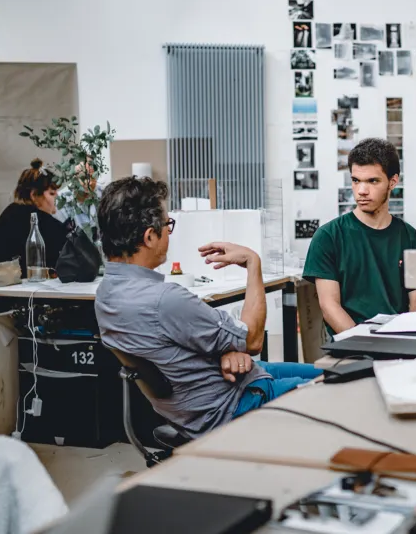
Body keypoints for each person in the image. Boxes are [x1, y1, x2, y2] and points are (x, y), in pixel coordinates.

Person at [93, 177, 322, 438]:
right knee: (346, 385)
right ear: (149, 236)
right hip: (236, 405)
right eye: (168, 224)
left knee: (329, 370)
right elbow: (253, 339)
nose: (169, 230)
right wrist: (252, 261)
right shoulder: (165, 300)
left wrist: (226, 350)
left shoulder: (106, 295)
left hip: (210, 397)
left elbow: (175, 349)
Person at [304, 138, 416, 335]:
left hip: (400, 343)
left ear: (393, 182)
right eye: (356, 181)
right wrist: (365, 344)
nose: (361, 191)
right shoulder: (328, 237)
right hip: (351, 349)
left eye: (373, 181)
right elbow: (330, 307)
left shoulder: (411, 238)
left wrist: (411, 343)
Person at [0, 159, 70, 278]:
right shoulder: (40, 221)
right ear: (34, 195)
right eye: (51, 193)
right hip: (14, 292)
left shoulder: (9, 214)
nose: (58, 197)